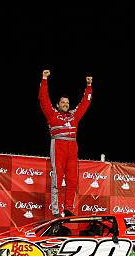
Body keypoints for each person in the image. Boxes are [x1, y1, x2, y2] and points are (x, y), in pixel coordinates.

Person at [39, 69, 92, 217]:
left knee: (72, 180)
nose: (65, 104)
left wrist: (88, 86)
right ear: (58, 104)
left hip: (72, 147)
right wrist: (44, 79)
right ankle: (56, 211)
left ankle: (68, 208)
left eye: (67, 102)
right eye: (63, 102)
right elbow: (43, 99)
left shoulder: (74, 115)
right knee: (57, 179)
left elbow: (85, 103)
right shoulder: (52, 114)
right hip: (58, 146)